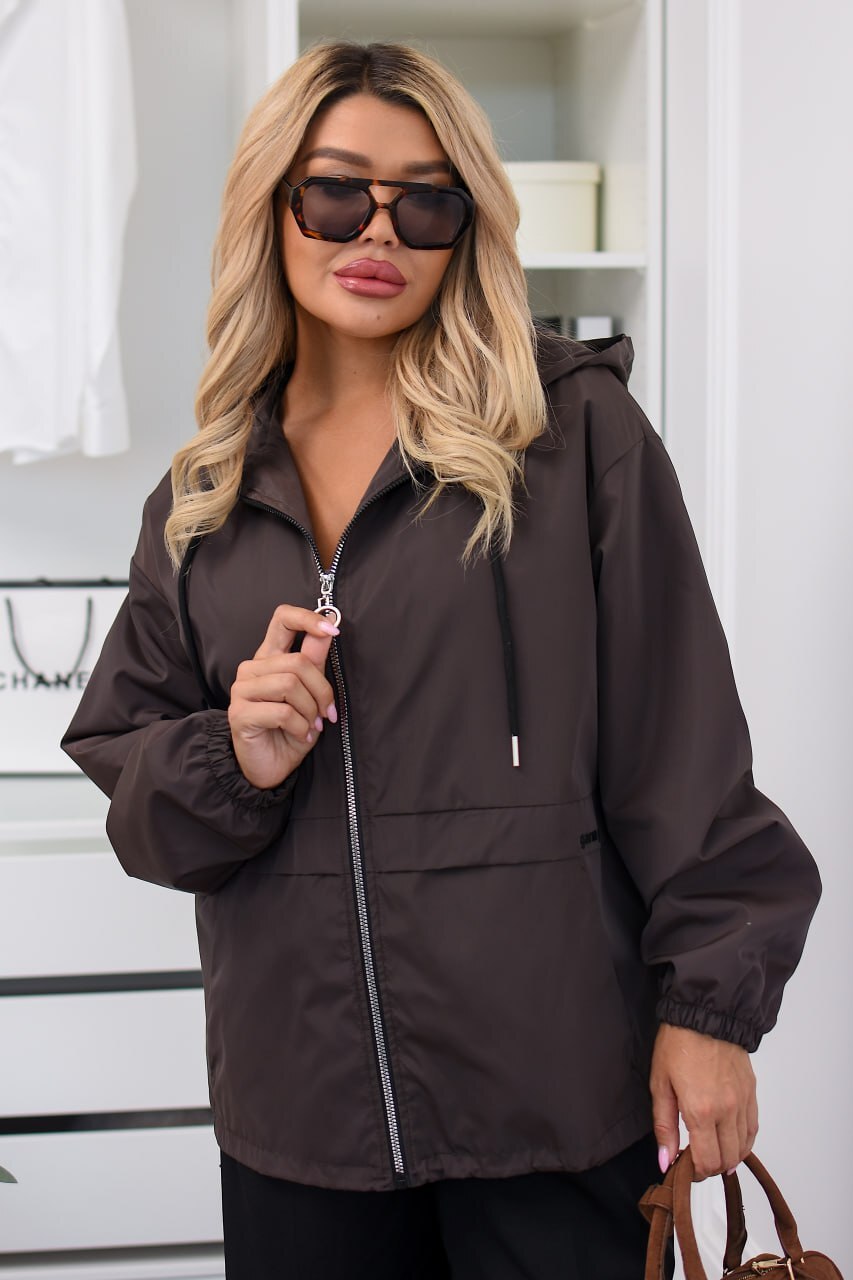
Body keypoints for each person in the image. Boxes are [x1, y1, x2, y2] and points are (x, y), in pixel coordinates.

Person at [62, 39, 821, 1280]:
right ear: (272, 206)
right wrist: (232, 755)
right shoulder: (203, 497)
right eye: (335, 191)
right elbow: (141, 804)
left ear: (466, 228)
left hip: (553, 1105)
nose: (379, 230)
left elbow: (681, 749)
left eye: (425, 201)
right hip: (300, 1122)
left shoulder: (573, 436)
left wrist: (709, 1010)